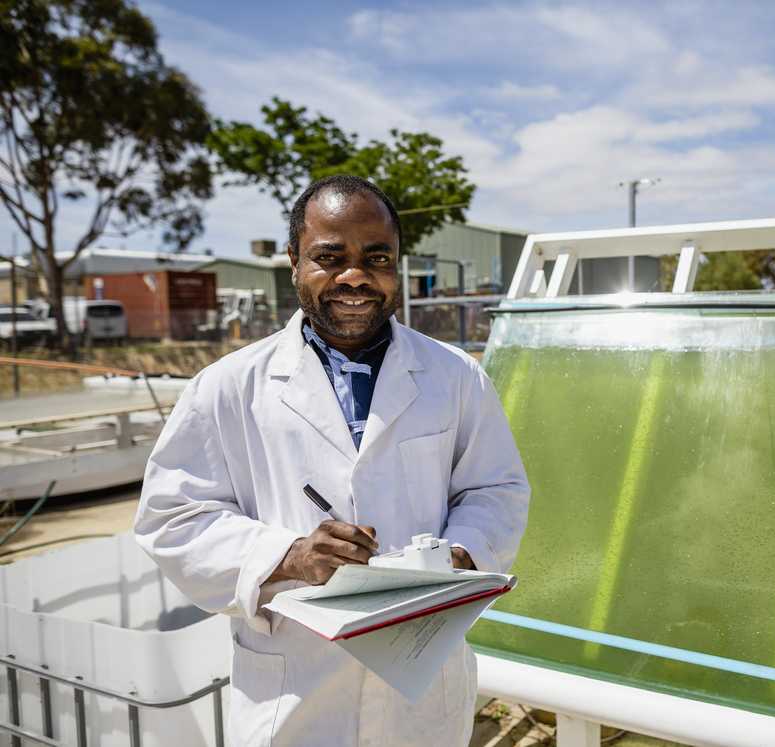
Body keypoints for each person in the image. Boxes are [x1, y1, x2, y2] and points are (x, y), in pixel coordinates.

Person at [134, 175, 530, 746]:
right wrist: (289, 556)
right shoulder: (226, 387)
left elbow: (496, 489)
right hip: (293, 690)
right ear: (294, 261)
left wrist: (460, 553)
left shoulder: (456, 377)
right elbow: (171, 518)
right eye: (330, 257)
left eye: (377, 258)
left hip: (421, 687)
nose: (355, 277)